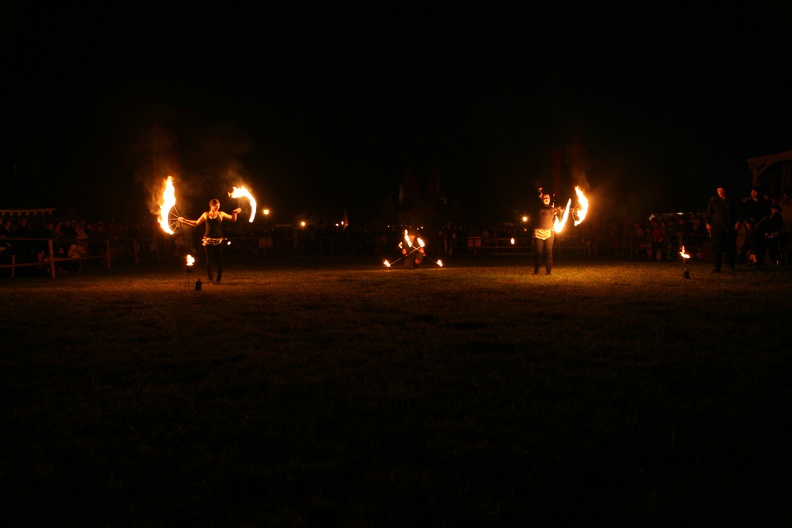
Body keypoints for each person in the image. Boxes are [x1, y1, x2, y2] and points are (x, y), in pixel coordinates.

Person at [179, 199, 241, 283]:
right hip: (208, 240)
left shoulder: (221, 214)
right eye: (216, 206)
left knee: (219, 259)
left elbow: (233, 219)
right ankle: (211, 278)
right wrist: (184, 220)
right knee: (209, 259)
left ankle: (218, 278)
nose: (217, 208)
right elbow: (197, 223)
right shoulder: (205, 214)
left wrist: (234, 212)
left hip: (219, 240)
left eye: (219, 206)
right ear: (211, 206)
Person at [705, 186, 743, 273]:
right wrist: (707, 222)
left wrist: (738, 222)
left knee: (730, 246)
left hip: (730, 226)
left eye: (722, 190)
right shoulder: (713, 200)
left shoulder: (733, 200)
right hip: (717, 227)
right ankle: (716, 266)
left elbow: (740, 212)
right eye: (719, 190)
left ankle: (730, 265)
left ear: (725, 190)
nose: (721, 192)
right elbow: (709, 212)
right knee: (717, 247)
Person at [739, 186, 771, 268]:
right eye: (752, 192)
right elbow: (744, 215)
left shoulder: (763, 203)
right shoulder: (748, 203)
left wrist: (760, 223)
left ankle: (751, 258)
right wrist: (747, 223)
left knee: (758, 240)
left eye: (755, 192)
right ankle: (755, 259)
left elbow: (767, 214)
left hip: (760, 224)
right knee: (752, 238)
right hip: (750, 223)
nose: (753, 193)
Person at [531, 193, 563, 275]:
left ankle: (548, 271)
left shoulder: (552, 208)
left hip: (549, 232)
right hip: (539, 232)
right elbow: (545, 211)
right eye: (545, 197)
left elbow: (561, 213)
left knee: (549, 251)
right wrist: (556, 209)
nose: (546, 199)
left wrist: (562, 210)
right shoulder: (539, 208)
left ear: (550, 199)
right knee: (538, 252)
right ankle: (536, 270)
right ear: (542, 199)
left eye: (548, 197)